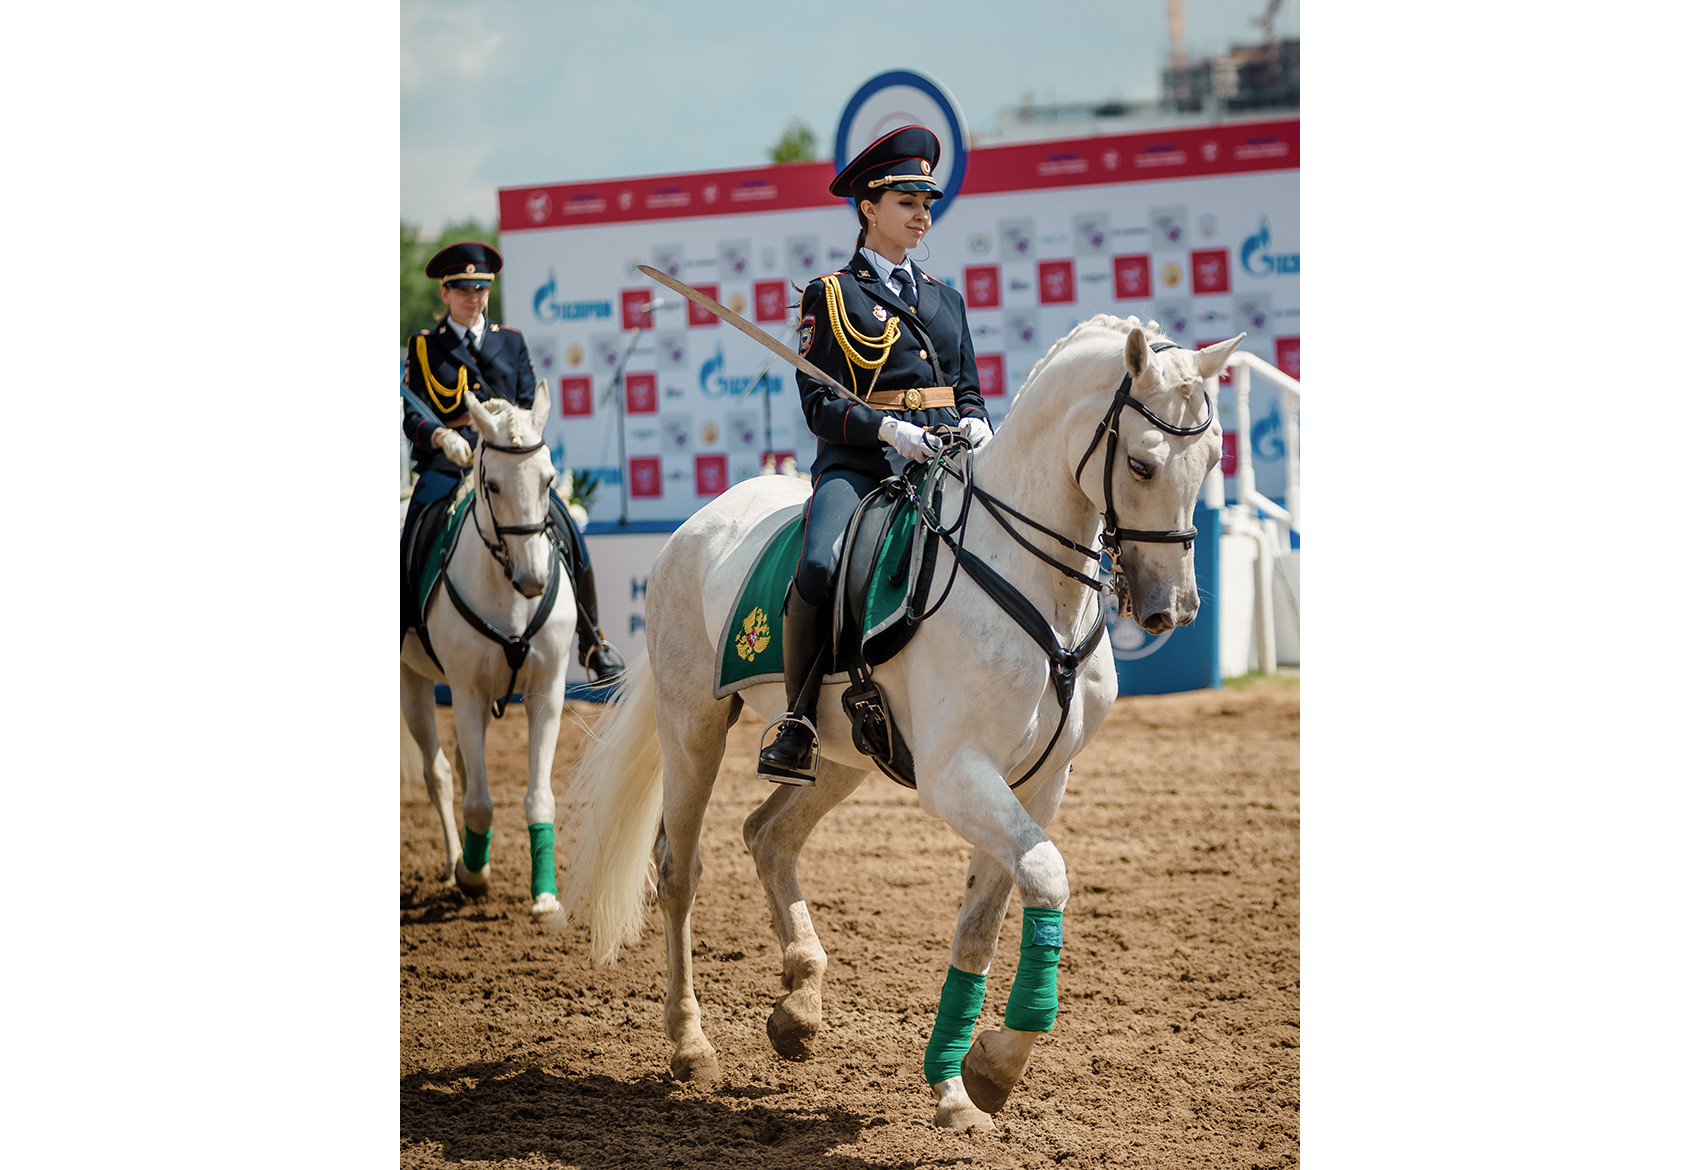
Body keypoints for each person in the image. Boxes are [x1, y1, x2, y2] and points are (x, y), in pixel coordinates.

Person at [757, 126, 994, 783]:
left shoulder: (944, 297)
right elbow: (819, 406)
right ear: (868, 207)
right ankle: (798, 721)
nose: (923, 214)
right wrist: (890, 432)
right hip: (861, 467)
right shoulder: (831, 295)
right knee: (821, 564)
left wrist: (975, 425)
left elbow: (968, 388)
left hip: (946, 462)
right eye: (906, 201)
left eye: (926, 202)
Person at [401, 240, 625, 685]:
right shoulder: (425, 348)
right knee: (414, 528)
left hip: (508, 466)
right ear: (445, 292)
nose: (474, 297)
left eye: (481, 287)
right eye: (464, 288)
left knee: (565, 526)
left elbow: (526, 406)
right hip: (449, 466)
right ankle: (405, 625)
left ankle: (592, 639)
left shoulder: (511, 341)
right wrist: (442, 435)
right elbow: (412, 411)